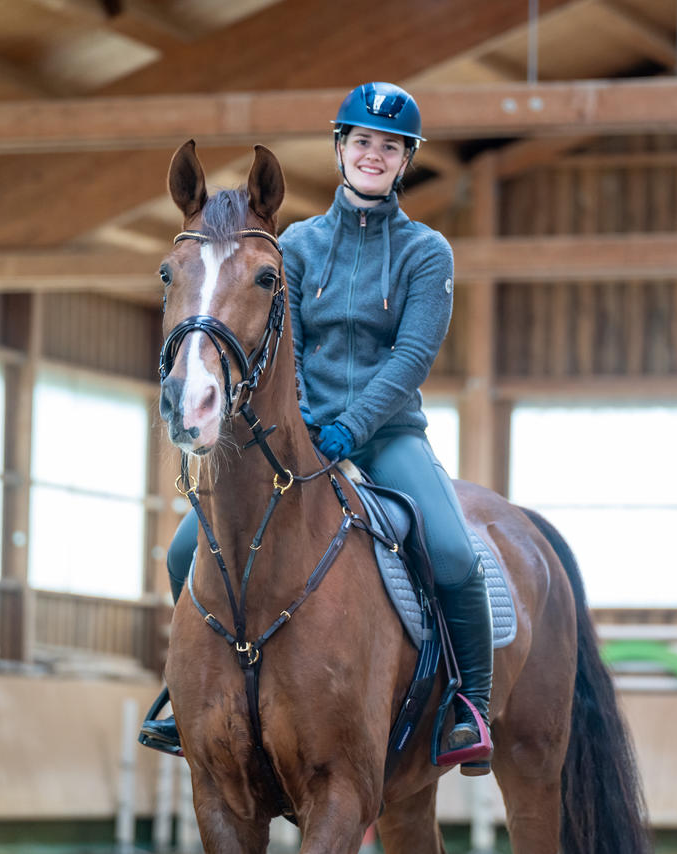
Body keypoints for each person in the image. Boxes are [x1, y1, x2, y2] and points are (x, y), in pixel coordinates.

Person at [140, 82, 493, 771]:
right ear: (340, 149)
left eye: (389, 147)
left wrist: (353, 427)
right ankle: (186, 697)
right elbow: (272, 338)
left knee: (453, 552)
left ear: (404, 161)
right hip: (295, 435)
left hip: (387, 435)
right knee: (186, 550)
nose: (373, 155)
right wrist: (293, 424)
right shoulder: (295, 244)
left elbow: (413, 357)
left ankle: (467, 705)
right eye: (362, 141)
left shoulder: (426, 254)